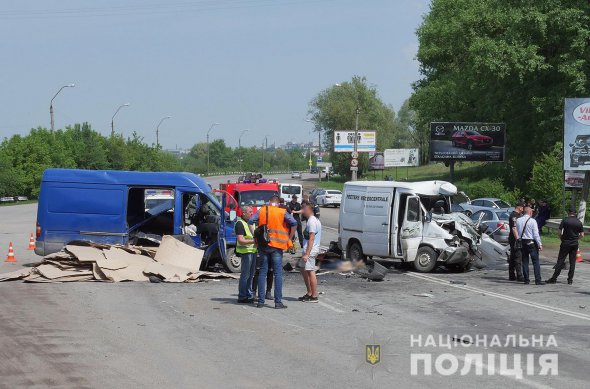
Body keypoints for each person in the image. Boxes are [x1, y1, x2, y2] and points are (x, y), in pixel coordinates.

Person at [249, 195, 298, 309]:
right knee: (277, 274)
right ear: (278, 203)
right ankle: (277, 302)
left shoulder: (262, 210)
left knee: (262, 272)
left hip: (263, 246)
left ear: (269, 202)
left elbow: (251, 221)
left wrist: (255, 237)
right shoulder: (282, 212)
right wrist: (289, 238)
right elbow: (294, 223)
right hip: (277, 246)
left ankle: (260, 302)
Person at [547, 207, 584, 285]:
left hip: (565, 242)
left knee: (561, 260)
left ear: (569, 213)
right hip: (574, 243)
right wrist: (576, 239)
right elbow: (582, 235)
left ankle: (554, 278)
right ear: (575, 213)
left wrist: (562, 238)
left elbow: (559, 231)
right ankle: (570, 279)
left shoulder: (565, 220)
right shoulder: (579, 222)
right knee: (572, 262)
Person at [298, 202, 322, 303]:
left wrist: (307, 253)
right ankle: (309, 292)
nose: (303, 211)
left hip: (311, 250)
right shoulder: (313, 220)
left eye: (304, 209)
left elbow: (311, 238)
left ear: (310, 210)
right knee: (303, 269)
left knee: (310, 271)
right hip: (309, 249)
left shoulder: (312, 221)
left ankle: (314, 295)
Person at [516, 207, 544, 285]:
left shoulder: (518, 220)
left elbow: (518, 231)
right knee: (535, 261)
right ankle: (537, 280)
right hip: (531, 242)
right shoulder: (532, 221)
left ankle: (526, 279)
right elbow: (536, 234)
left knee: (525, 261)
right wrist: (539, 244)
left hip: (523, 242)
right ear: (530, 212)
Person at [235, 206, 257, 303]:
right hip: (246, 252)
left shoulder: (251, 223)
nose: (252, 213)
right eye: (250, 212)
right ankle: (242, 296)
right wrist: (254, 241)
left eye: (252, 212)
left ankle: (248, 294)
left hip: (253, 251)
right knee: (245, 275)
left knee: (251, 274)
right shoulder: (240, 223)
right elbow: (240, 239)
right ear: (243, 213)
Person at [508, 202, 525, 281]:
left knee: (512, 257)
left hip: (514, 238)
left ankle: (511, 275)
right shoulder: (514, 216)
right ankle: (519, 275)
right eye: (523, 208)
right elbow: (514, 228)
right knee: (518, 256)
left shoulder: (517, 215)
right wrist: (518, 239)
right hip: (515, 238)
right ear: (520, 207)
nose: (523, 209)